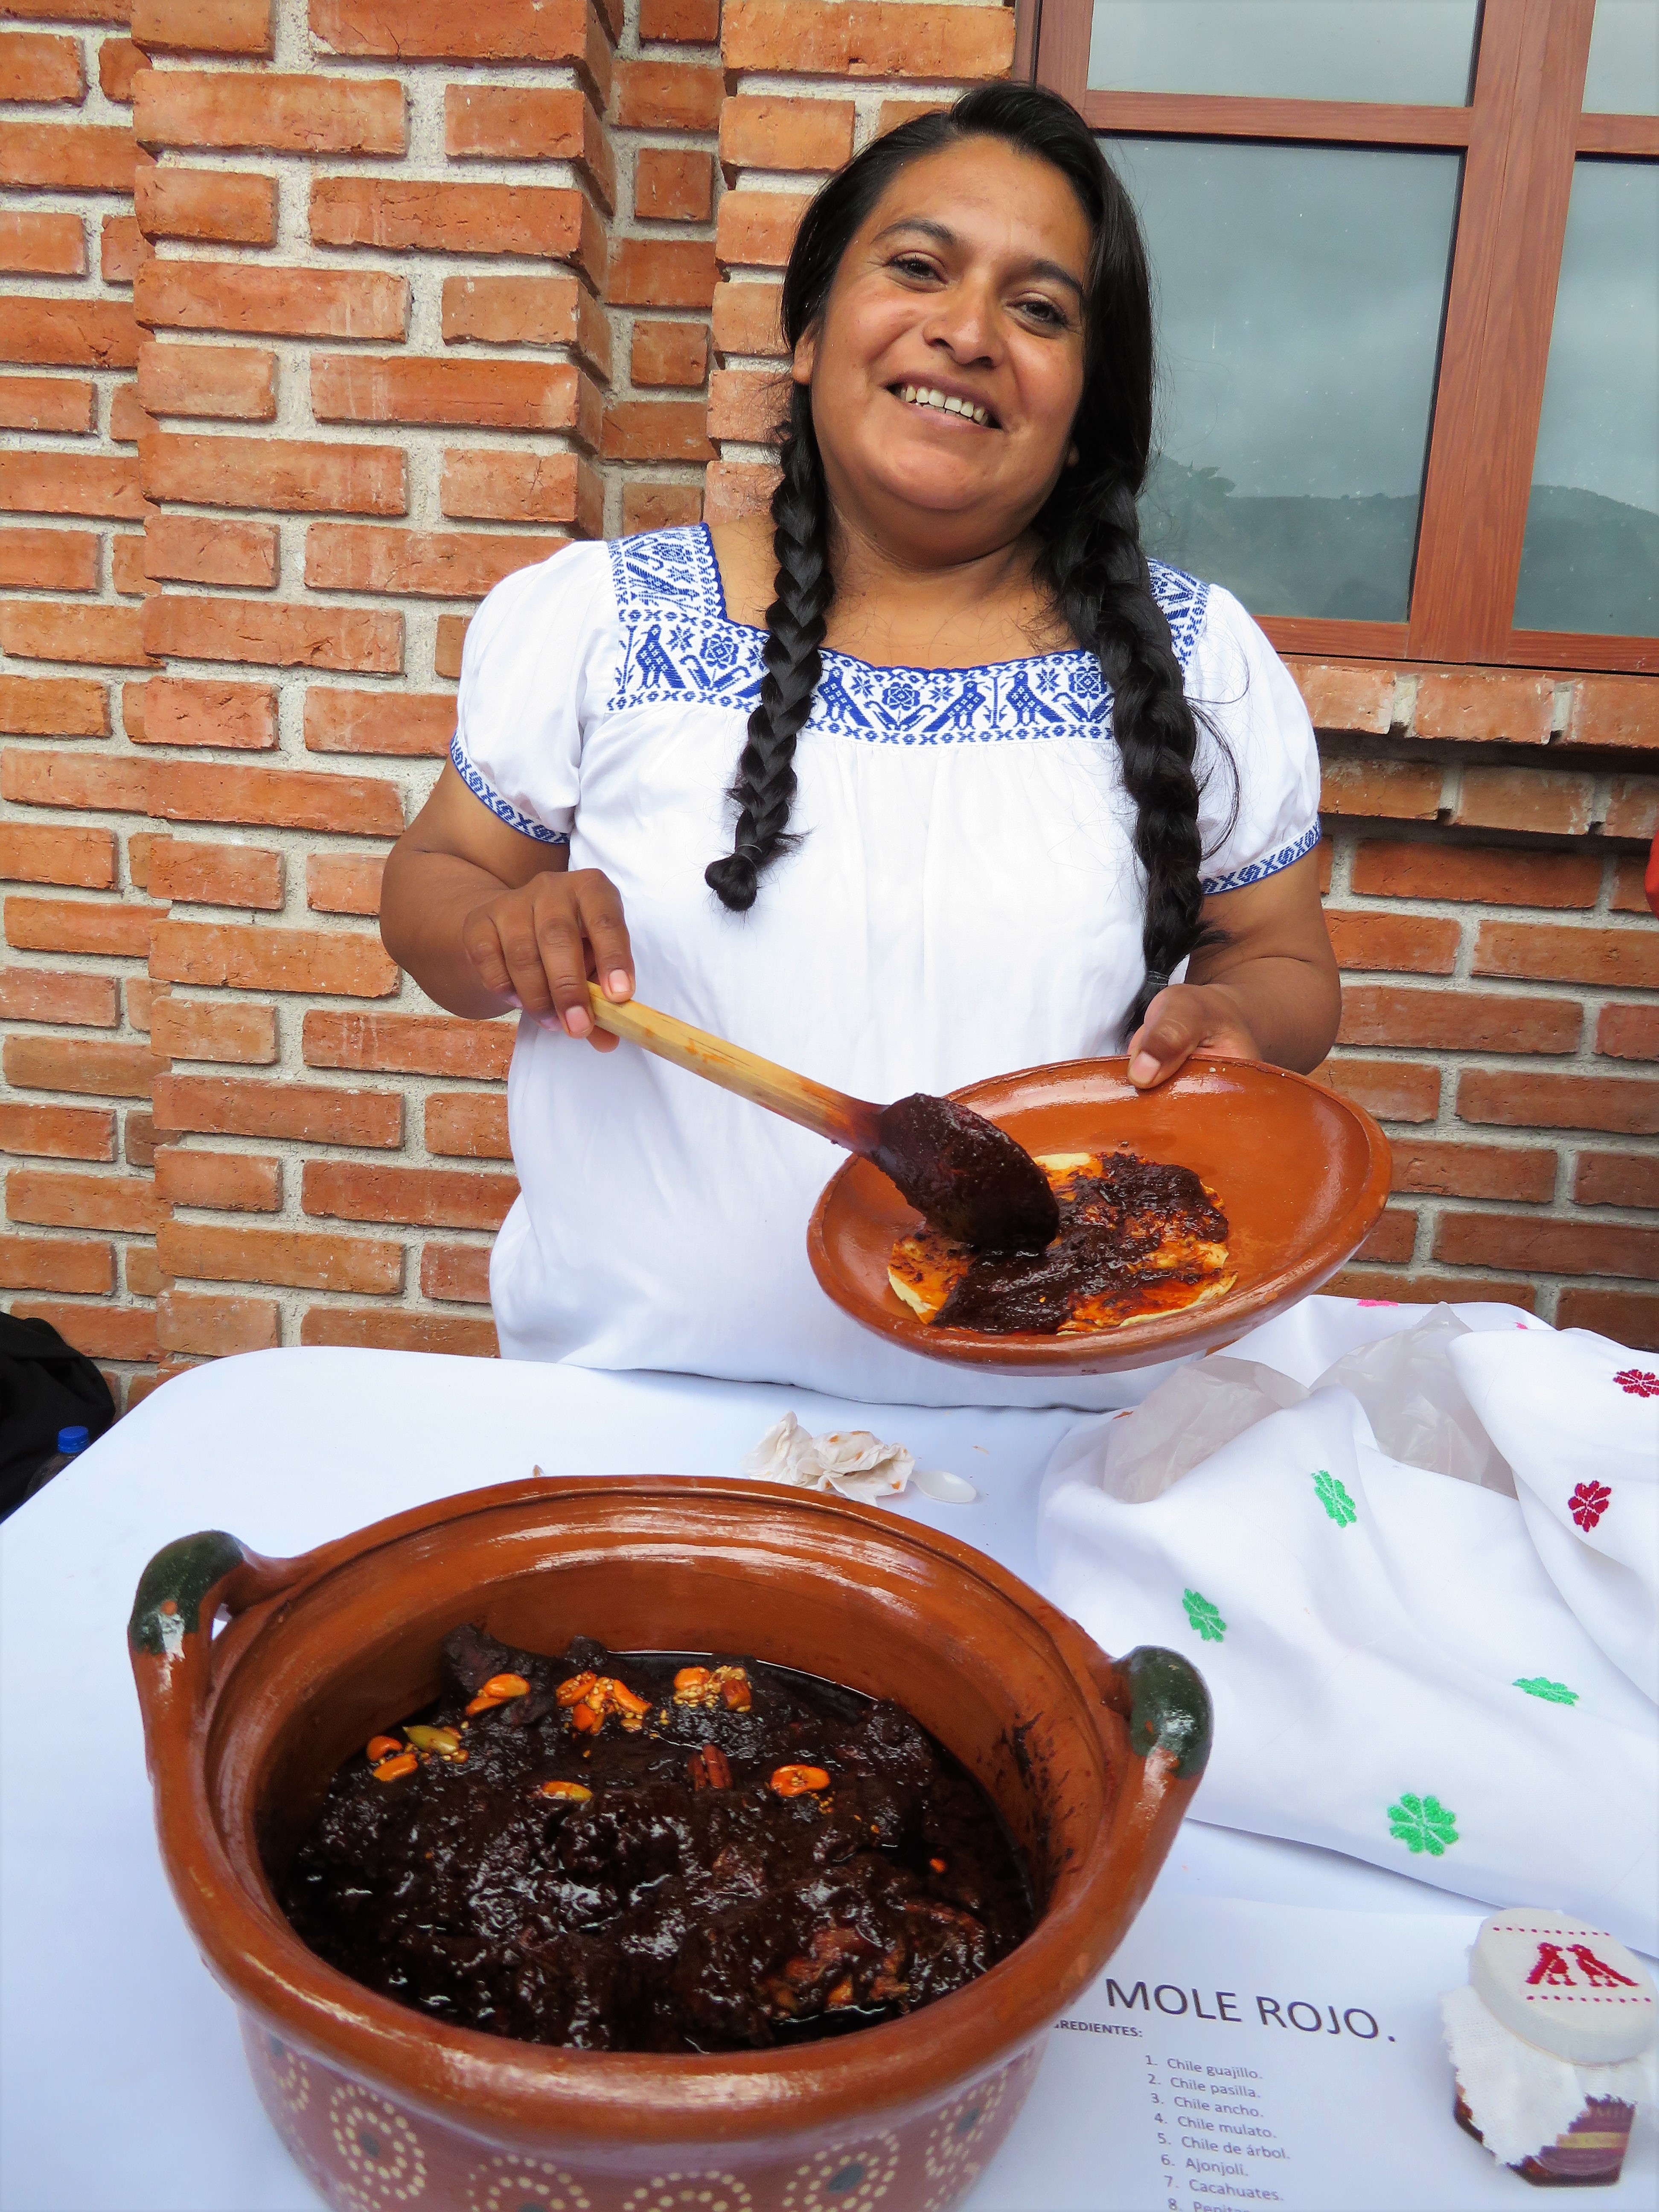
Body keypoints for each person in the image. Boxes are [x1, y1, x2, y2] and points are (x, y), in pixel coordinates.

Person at [379, 83, 1341, 1409]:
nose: (968, 332)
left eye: (1040, 310)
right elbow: (433, 880)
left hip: (1066, 1436)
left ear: (1084, 408)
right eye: (919, 269)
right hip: (641, 1412)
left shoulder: (1201, 662)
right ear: (808, 331)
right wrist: (501, 930)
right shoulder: (602, 622)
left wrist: (1239, 1021)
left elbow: (1283, 959)